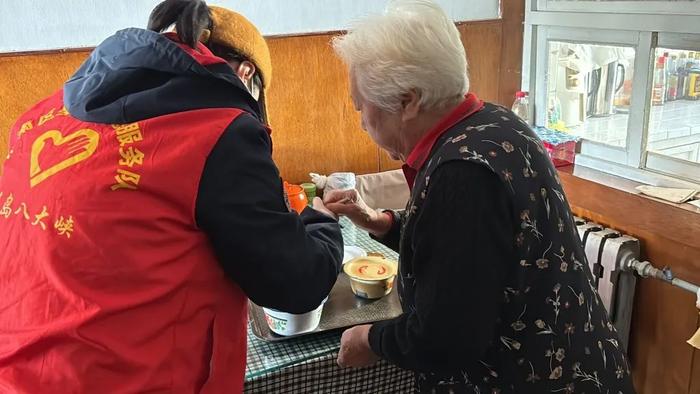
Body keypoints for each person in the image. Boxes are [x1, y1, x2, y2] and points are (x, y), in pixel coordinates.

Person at [0, 1, 342, 392]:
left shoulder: (39, 116)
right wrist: (323, 220)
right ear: (247, 74)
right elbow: (297, 284)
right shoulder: (218, 131)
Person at [325, 1, 636, 393]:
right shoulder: (497, 122)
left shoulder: (462, 174)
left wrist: (371, 340)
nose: (361, 120)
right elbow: (466, 253)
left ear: (408, 101)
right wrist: (381, 222)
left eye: (361, 106)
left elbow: (446, 337)